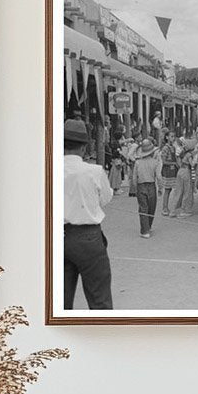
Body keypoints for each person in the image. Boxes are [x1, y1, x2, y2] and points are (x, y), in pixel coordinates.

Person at [62, 118, 113, 309]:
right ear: (84, 148)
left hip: (56, 235)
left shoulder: (47, 169)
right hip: (88, 237)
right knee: (99, 298)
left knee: (59, 301)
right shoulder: (94, 171)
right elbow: (105, 199)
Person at [130, 138, 162, 238]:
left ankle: (145, 230)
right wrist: (160, 187)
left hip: (141, 185)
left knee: (143, 208)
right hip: (152, 185)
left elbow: (134, 177)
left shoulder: (138, 163)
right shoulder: (155, 162)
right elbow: (159, 176)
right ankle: (148, 225)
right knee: (152, 207)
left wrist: (135, 187)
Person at [158, 131, 179, 215]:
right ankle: (164, 208)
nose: (173, 138)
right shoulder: (165, 148)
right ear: (167, 137)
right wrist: (174, 163)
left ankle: (168, 207)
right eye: (171, 136)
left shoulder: (173, 147)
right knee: (167, 190)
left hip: (173, 171)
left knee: (170, 190)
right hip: (167, 171)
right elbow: (164, 161)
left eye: (174, 136)